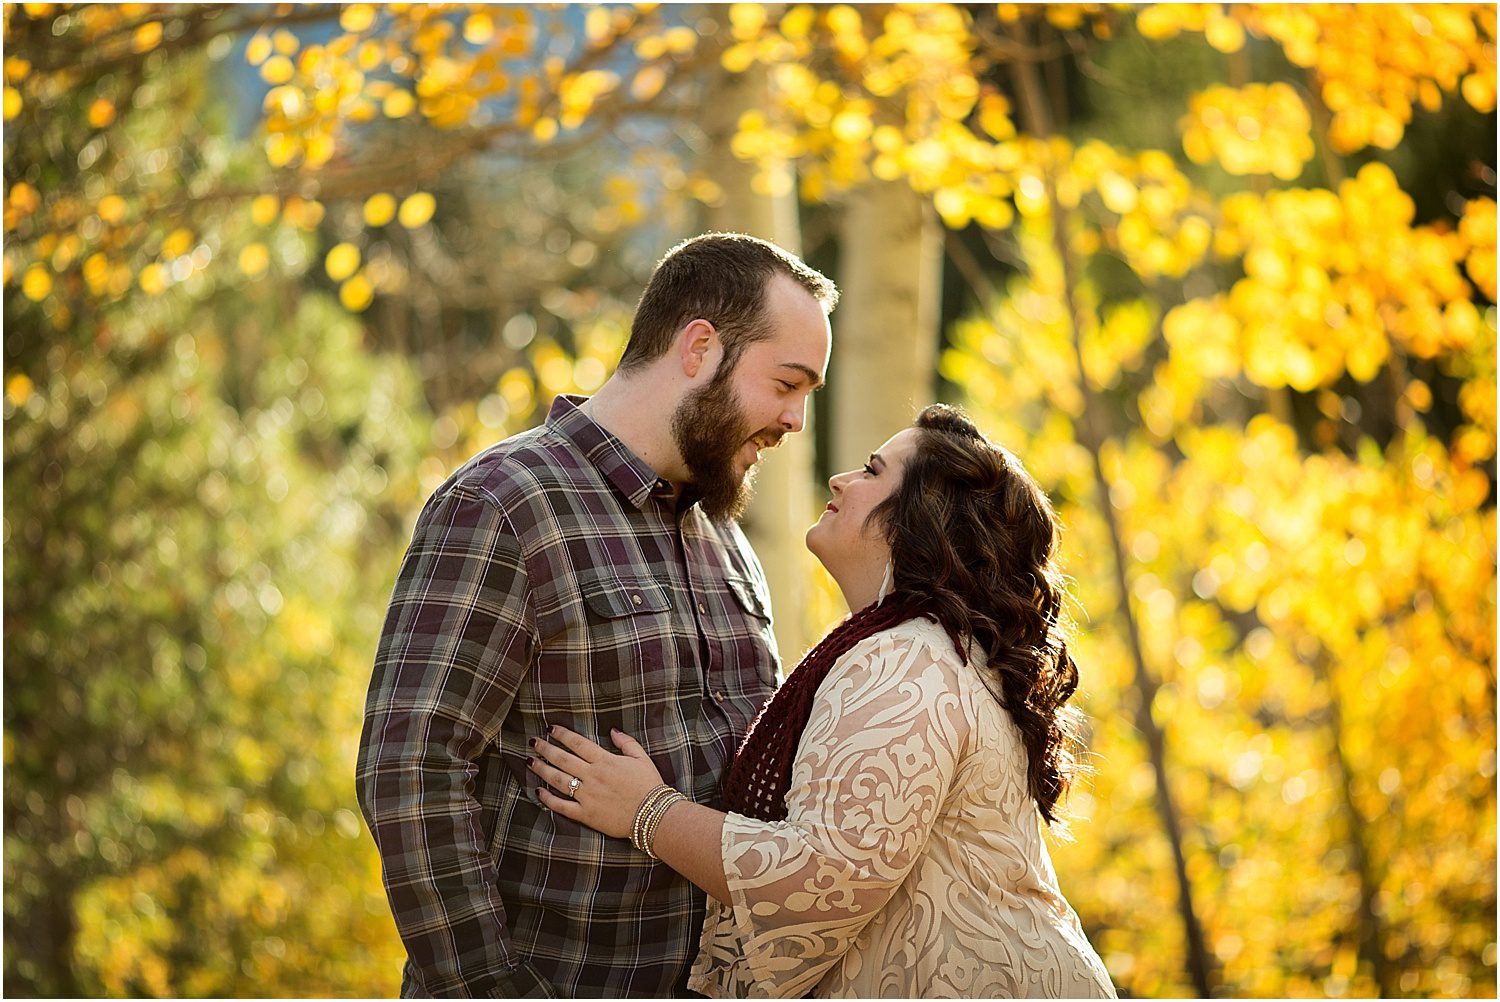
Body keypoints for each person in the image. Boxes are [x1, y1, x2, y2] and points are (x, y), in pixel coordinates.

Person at [356, 233, 837, 997]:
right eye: (787, 384)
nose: (795, 422)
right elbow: (410, 772)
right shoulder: (503, 503)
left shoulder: (723, 536)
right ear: (700, 348)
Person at [528, 404, 1118, 999]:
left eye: (871, 471)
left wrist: (647, 811)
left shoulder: (905, 661)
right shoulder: (933, 649)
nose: (841, 480)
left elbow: (822, 878)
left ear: (919, 519)